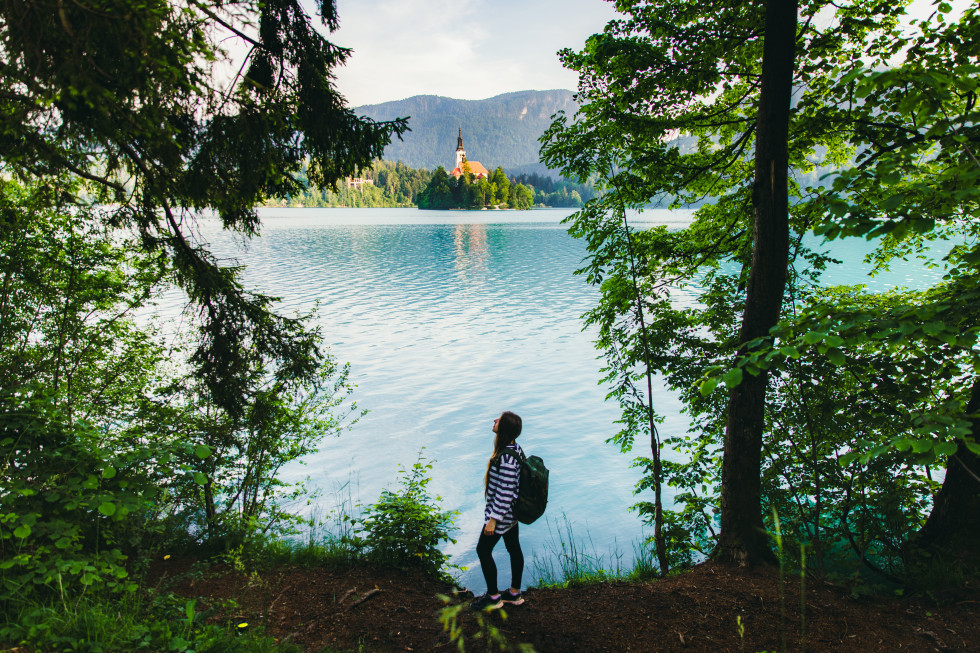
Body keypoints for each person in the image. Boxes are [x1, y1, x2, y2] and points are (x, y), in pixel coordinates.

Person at [470, 410, 526, 611]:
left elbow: (505, 491)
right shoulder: (513, 449)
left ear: (504, 428)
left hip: (502, 515)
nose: (494, 420)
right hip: (510, 515)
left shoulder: (507, 459)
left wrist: (493, 520)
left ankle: (494, 598)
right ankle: (514, 593)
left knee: (482, 550)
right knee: (514, 549)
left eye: (498, 420)